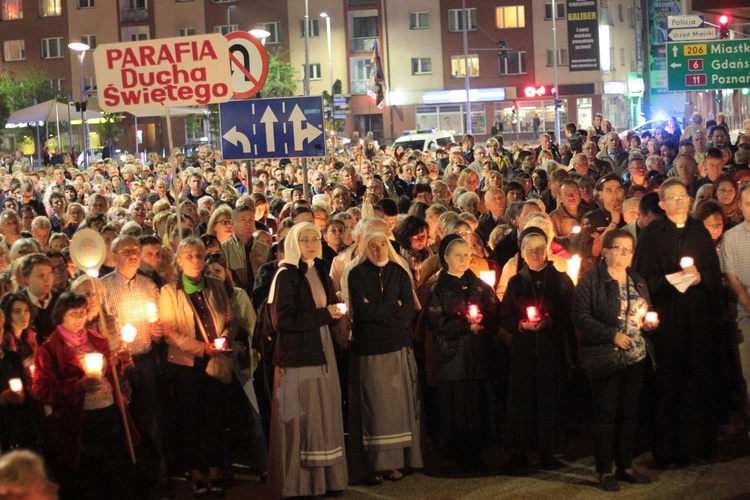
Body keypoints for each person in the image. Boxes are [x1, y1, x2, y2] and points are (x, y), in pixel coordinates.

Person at [632, 178, 725, 468]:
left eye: (682, 196)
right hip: (668, 320)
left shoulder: (699, 231)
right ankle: (669, 452)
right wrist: (672, 281)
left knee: (698, 384)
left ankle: (699, 448)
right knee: (669, 386)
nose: (679, 202)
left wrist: (701, 278)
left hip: (698, 321)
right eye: (671, 198)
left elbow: (713, 276)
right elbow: (641, 278)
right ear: (661, 204)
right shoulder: (651, 236)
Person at [573, 229, 659, 491]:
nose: (624, 254)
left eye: (628, 249)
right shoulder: (591, 280)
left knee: (629, 414)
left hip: (635, 355)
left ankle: (626, 465)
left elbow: (647, 308)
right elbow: (581, 316)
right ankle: (604, 469)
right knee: (606, 414)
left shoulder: (637, 280)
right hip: (605, 356)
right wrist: (612, 335)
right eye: (618, 248)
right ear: (606, 251)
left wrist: (649, 322)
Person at [267, 222, 348, 498]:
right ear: (293, 243)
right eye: (305, 240)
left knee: (322, 413)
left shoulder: (320, 268)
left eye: (315, 238)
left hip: (321, 346)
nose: (311, 244)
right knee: (303, 418)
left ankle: (325, 479)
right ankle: (299, 484)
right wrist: (325, 315)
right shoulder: (285, 275)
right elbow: (282, 320)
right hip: (298, 354)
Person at [33, 291, 137, 499]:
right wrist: (77, 386)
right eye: (74, 313)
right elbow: (41, 390)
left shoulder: (97, 340)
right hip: (80, 421)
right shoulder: (50, 349)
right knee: (90, 476)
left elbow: (110, 375)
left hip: (109, 413)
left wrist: (117, 365)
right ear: (61, 314)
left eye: (82, 313)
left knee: (114, 470)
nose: (79, 318)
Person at [161, 238, 235, 498]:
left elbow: (229, 319)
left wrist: (224, 337)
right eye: (189, 256)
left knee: (215, 418)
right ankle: (195, 472)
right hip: (188, 364)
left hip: (216, 362)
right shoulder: (170, 291)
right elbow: (169, 332)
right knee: (190, 420)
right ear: (179, 261)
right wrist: (201, 348)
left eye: (199, 255)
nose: (195, 260)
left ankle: (215, 470)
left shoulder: (216, 285)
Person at [347, 230, 422, 484]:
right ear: (365, 248)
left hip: (395, 347)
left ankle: (394, 464)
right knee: (374, 410)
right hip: (369, 349)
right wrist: (392, 308)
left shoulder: (399, 272)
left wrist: (382, 312)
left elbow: (408, 308)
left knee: (396, 409)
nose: (378, 250)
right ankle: (374, 466)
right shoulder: (356, 274)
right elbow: (362, 311)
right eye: (372, 246)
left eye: (382, 244)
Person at [500, 227, 574, 472]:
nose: (535, 254)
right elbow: (505, 316)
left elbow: (571, 313)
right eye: (529, 249)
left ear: (547, 251)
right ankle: (520, 452)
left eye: (540, 249)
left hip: (551, 351)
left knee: (548, 401)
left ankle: (547, 450)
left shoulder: (561, 280)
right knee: (522, 401)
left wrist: (549, 321)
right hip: (523, 351)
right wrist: (520, 324)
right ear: (521, 252)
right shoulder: (516, 281)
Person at [426, 234, 499, 472]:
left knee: (477, 405)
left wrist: (484, 321)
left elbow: (494, 310)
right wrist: (464, 326)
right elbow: (436, 322)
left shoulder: (479, 285)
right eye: (458, 255)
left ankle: (478, 453)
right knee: (456, 406)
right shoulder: (438, 288)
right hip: (453, 356)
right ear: (445, 258)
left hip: (478, 355)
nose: (464, 259)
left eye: (467, 255)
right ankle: (456, 454)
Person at [1, 292, 37, 364]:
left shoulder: (29, 335)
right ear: (8, 315)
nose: (24, 315)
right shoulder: (3, 340)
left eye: (26, 310)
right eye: (17, 311)